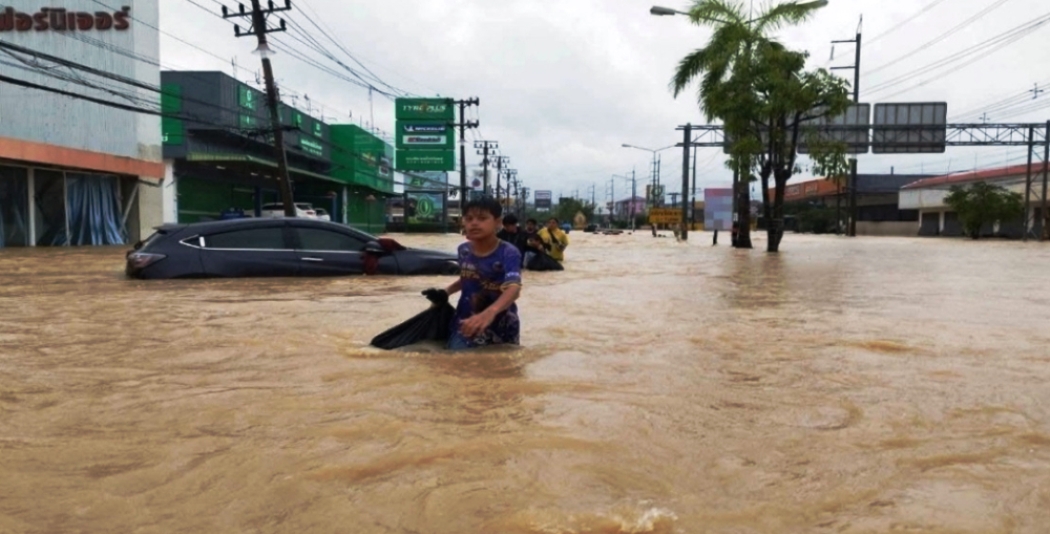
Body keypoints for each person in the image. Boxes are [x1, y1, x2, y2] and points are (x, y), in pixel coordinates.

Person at [423, 197, 522, 350]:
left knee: (501, 370)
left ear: (497, 222)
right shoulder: (463, 250)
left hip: (501, 324)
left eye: (482, 218)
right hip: (465, 322)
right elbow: (469, 278)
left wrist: (490, 313)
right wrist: (446, 292)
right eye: (469, 219)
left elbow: (514, 288)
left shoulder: (508, 252)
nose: (474, 223)